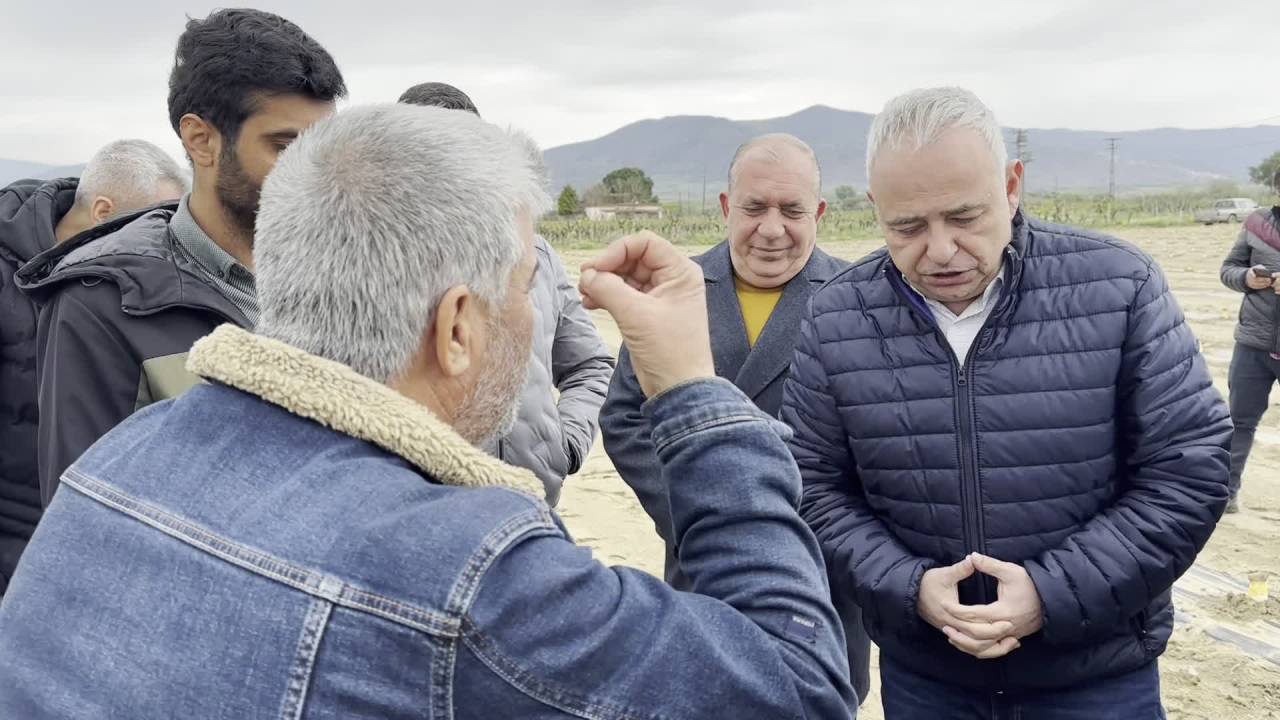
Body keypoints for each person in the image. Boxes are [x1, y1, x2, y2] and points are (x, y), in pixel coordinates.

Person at [0, 103, 855, 719]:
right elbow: (798, 689)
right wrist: (695, 392)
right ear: (454, 327)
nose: (534, 315)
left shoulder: (123, 453)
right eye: (527, 288)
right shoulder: (474, 570)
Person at [782, 87, 1231, 718]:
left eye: (964, 217)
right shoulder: (837, 317)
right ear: (876, 208)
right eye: (907, 226)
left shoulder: (1120, 285)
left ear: (1012, 185)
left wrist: (1050, 592)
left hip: (1095, 677)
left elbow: (1190, 468)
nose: (938, 250)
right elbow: (812, 488)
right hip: (927, 678)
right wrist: (909, 588)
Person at [17, 8, 345, 506]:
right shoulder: (102, 304)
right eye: (285, 146)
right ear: (201, 140)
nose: (313, 172)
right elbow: (86, 524)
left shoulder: (345, 277)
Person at [601, 132, 871, 704]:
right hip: (700, 564)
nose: (772, 229)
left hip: (820, 578)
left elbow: (883, 434)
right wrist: (703, 512)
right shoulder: (674, 291)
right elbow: (626, 418)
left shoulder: (859, 299)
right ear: (727, 207)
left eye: (792, 210)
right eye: (754, 208)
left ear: (819, 213)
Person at [398, 82, 613, 505]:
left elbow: (591, 363)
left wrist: (563, 444)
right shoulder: (373, 262)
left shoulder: (538, 256)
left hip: (533, 504)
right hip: (421, 508)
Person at [0, 139, 187, 593]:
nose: (161, 239)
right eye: (150, 221)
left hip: (88, 529)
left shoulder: (121, 286)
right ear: (103, 210)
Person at [1219, 170, 1280, 513]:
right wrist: (1245, 278)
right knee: (1240, 421)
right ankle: (1226, 492)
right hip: (1253, 345)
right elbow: (1228, 268)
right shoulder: (1257, 223)